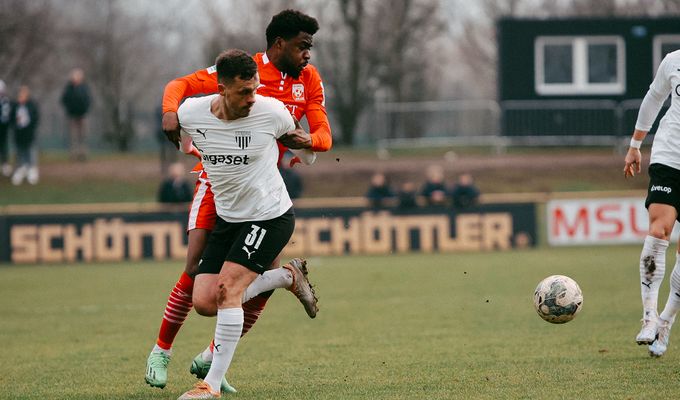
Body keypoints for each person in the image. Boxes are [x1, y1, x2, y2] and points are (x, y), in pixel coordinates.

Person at [145, 9, 332, 391]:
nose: (308, 56)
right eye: (303, 47)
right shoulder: (240, 71)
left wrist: (305, 142)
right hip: (217, 188)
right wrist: (168, 114)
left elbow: (323, 138)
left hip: (262, 192)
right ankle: (162, 350)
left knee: (244, 279)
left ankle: (216, 359)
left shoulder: (306, 81)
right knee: (196, 267)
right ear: (280, 44)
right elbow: (179, 86)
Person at [173, 48, 317, 399]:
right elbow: (180, 138)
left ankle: (211, 385)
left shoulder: (270, 111)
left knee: (228, 291)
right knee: (205, 302)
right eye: (244, 92)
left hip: (271, 216)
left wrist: (305, 152)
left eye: (255, 89)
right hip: (229, 219)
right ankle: (287, 276)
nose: (253, 98)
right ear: (221, 89)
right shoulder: (191, 113)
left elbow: (307, 147)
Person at [623, 49, 680, 357]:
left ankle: (666, 322)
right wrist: (635, 145)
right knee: (659, 231)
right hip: (669, 158)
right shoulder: (673, 61)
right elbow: (653, 99)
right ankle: (648, 317)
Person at [60, 68, 91, 161]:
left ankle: (83, 154)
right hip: (72, 115)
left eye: (78, 76)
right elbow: (64, 100)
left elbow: (88, 100)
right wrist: (69, 109)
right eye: (75, 76)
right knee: (73, 137)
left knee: (83, 136)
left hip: (82, 115)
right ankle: (73, 155)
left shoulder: (84, 87)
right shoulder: (69, 88)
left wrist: (85, 109)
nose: (76, 78)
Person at [11, 85, 39, 185]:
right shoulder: (15, 106)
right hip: (18, 134)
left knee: (30, 152)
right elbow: (11, 119)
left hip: (29, 134)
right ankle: (21, 169)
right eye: (20, 94)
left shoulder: (31, 105)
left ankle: (32, 170)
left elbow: (35, 119)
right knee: (20, 152)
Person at [0, 80, 12, 177]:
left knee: (4, 147)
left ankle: (5, 165)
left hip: (3, 128)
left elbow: (8, 116)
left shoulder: (6, 102)